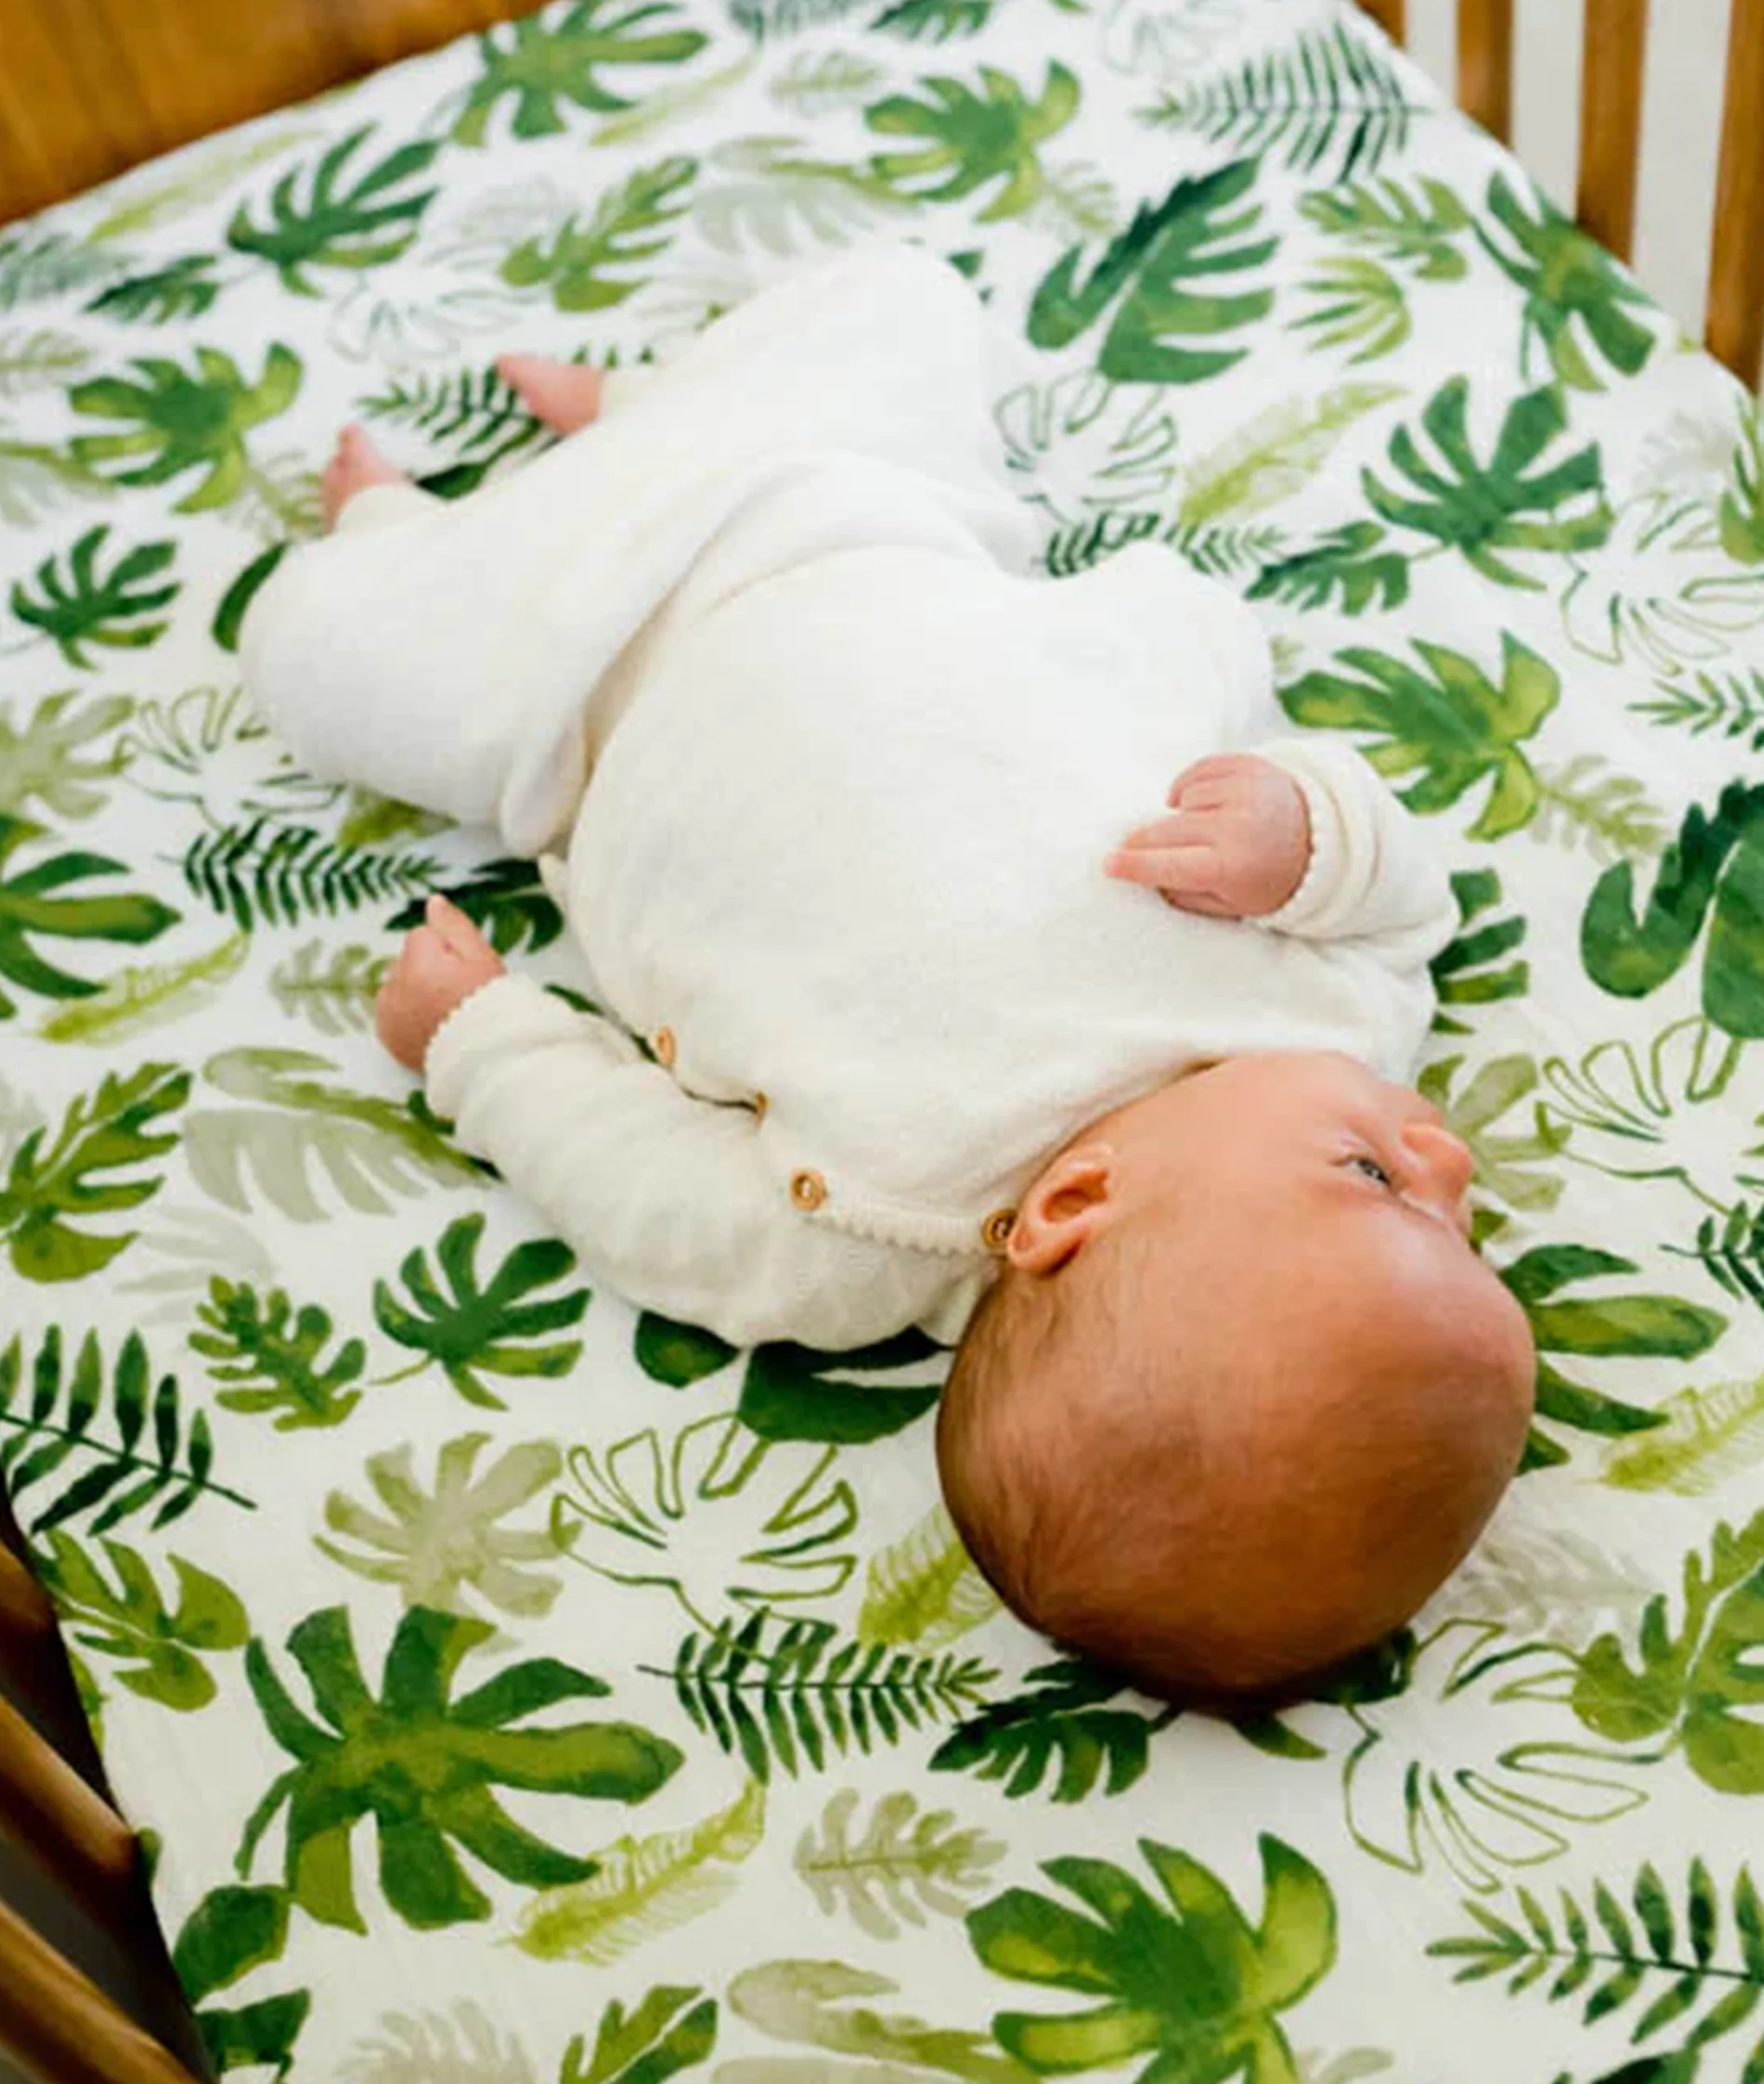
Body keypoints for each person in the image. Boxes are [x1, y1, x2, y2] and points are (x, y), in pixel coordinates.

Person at [241, 245, 1538, 1703]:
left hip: (582, 687)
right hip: (875, 520)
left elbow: (635, 1185)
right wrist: (1310, 842)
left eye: (1382, 1188)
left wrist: (478, 1039)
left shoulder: (864, 1226)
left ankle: (406, 533)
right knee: (906, 301)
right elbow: (1402, 908)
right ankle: (651, 419)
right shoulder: (1331, 1021)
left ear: (1068, 1210)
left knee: (324, 667)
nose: (1445, 1155)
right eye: (1465, 1222)